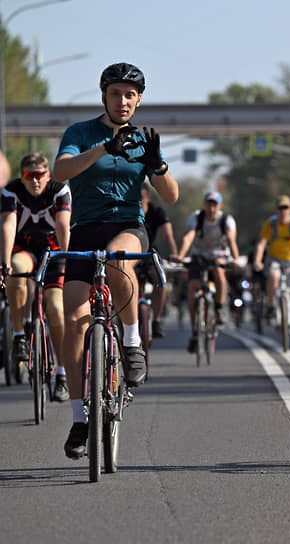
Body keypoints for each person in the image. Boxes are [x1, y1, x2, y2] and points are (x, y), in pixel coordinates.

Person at [54, 62, 178, 459]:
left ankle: (131, 341)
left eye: (130, 95)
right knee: (74, 321)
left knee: (119, 260)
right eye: (115, 94)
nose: (122, 101)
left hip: (127, 224)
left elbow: (170, 195)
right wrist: (105, 149)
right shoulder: (81, 133)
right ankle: (79, 419)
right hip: (85, 228)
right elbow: (60, 171)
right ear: (104, 96)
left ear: (139, 100)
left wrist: (157, 164)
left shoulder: (143, 139)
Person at [0, 153, 70, 400]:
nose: (35, 181)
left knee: (55, 308)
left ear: (48, 175)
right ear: (23, 176)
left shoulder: (60, 191)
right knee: (17, 271)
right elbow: (8, 225)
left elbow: (63, 225)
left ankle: (62, 373)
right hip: (25, 249)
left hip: (54, 251)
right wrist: (5, 262)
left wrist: (69, 256)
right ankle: (19, 335)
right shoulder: (11, 192)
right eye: (30, 176)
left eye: (40, 175)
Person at [175, 191, 240, 353]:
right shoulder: (196, 217)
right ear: (205, 204)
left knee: (219, 273)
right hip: (199, 255)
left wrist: (235, 258)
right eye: (209, 204)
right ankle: (195, 331)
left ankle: (218, 308)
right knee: (192, 289)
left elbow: (232, 240)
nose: (212, 208)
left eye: (215, 204)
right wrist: (180, 255)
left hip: (219, 255)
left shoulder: (227, 220)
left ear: (220, 206)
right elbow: (189, 237)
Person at [252, 195, 290, 342]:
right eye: (280, 208)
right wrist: (257, 261)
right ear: (276, 210)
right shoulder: (271, 223)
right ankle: (271, 303)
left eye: (286, 208)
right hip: (275, 258)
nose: (283, 211)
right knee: (273, 276)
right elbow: (261, 244)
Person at [140, 183, 179, 338]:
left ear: (148, 197)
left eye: (141, 197)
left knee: (160, 278)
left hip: (149, 254)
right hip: (129, 254)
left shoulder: (157, 212)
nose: (139, 200)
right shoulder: (127, 211)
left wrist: (174, 253)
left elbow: (168, 236)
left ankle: (156, 320)